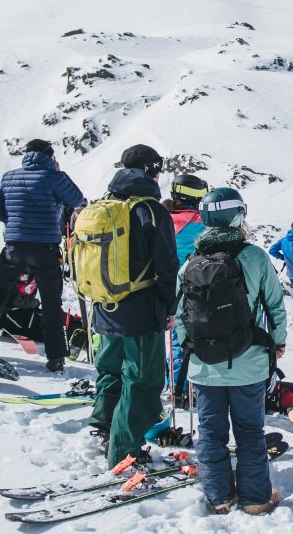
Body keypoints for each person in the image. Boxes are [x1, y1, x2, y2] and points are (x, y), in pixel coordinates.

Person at [176, 187, 287, 515]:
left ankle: (219, 497)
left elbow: (182, 317)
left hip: (204, 366)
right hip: (249, 362)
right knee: (250, 432)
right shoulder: (254, 257)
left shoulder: (191, 264)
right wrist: (277, 342)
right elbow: (275, 307)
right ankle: (255, 499)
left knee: (210, 432)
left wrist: (191, 352)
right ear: (239, 215)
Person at [87, 145, 179, 468]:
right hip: (140, 311)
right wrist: (170, 307)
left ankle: (104, 427)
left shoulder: (104, 204)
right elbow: (167, 267)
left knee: (111, 368)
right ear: (151, 171)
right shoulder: (152, 211)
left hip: (103, 306)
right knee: (142, 380)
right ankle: (124, 450)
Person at [0, 139, 84, 370]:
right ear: (50, 156)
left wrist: (14, 222)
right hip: (45, 250)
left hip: (14, 247)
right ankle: (56, 356)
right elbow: (77, 200)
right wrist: (59, 173)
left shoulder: (10, 176)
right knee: (51, 302)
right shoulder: (54, 177)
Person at [165, 173, 209, 407]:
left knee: (174, 339)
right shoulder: (202, 223)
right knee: (189, 339)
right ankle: (185, 389)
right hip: (193, 289)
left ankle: (173, 384)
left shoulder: (161, 219)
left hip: (164, 289)